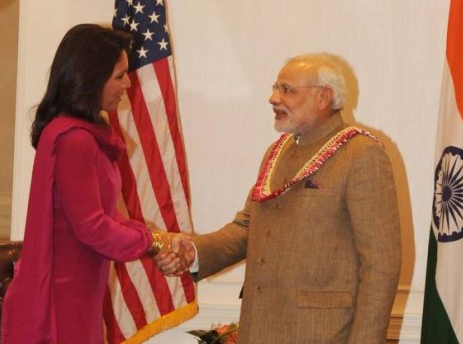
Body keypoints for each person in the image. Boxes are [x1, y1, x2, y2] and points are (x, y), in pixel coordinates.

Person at [156, 53, 402, 343]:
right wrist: (195, 253)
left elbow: (381, 264)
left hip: (323, 334)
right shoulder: (278, 151)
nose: (273, 98)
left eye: (287, 89)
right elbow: (248, 227)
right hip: (258, 329)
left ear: (324, 97)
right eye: (275, 87)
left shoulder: (361, 154)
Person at [1, 24, 184, 344]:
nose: (128, 83)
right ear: (90, 77)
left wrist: (152, 241)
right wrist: (153, 244)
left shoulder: (80, 133)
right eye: (119, 75)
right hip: (61, 304)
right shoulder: (75, 139)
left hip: (77, 296)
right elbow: (94, 228)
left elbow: (104, 217)